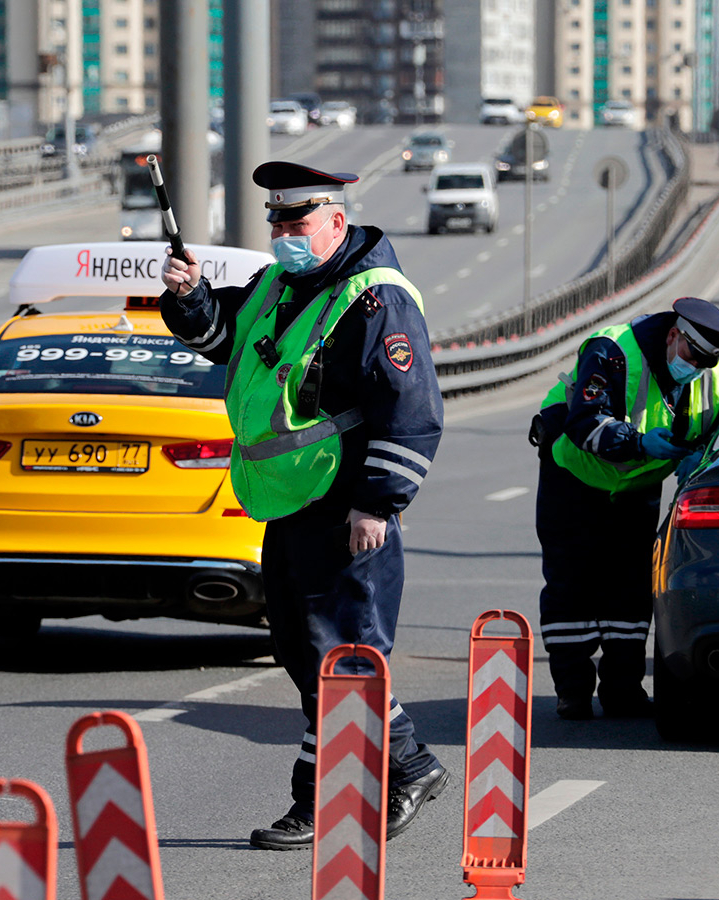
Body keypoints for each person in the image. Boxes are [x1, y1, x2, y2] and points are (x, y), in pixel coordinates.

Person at [159, 161, 448, 850]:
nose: (286, 232)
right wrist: (193, 295)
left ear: (336, 222)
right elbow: (222, 342)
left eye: (299, 221)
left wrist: (378, 503)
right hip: (288, 501)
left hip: (345, 506)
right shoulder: (274, 285)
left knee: (338, 657)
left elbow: (411, 409)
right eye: (278, 221)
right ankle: (409, 763)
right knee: (303, 650)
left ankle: (320, 802)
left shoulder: (376, 298)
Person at [530, 297, 719, 720]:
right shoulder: (612, 352)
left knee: (629, 589)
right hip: (574, 479)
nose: (697, 367)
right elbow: (585, 424)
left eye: (706, 361)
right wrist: (638, 442)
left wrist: (700, 457)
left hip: (638, 488)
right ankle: (572, 691)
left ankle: (622, 690)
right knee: (571, 585)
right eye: (691, 355)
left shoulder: (718, 374)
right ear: (672, 336)